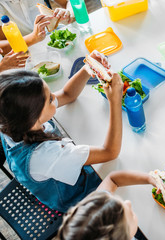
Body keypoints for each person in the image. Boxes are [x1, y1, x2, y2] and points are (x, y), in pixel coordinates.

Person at [0, 50, 124, 212]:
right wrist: (115, 101)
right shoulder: (47, 155)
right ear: (34, 116)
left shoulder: (11, 118)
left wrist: (88, 67)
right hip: (79, 198)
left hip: (58, 171)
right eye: (50, 99)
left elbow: (67, 94)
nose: (54, 97)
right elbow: (110, 152)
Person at [57, 170, 165, 240]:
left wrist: (150, 178)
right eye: (131, 215)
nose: (128, 202)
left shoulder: (95, 211)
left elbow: (112, 179)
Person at [0, 0, 74, 54]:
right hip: (26, 54)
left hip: (55, 41)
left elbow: (69, 2)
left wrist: (68, 12)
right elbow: (3, 48)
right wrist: (33, 38)